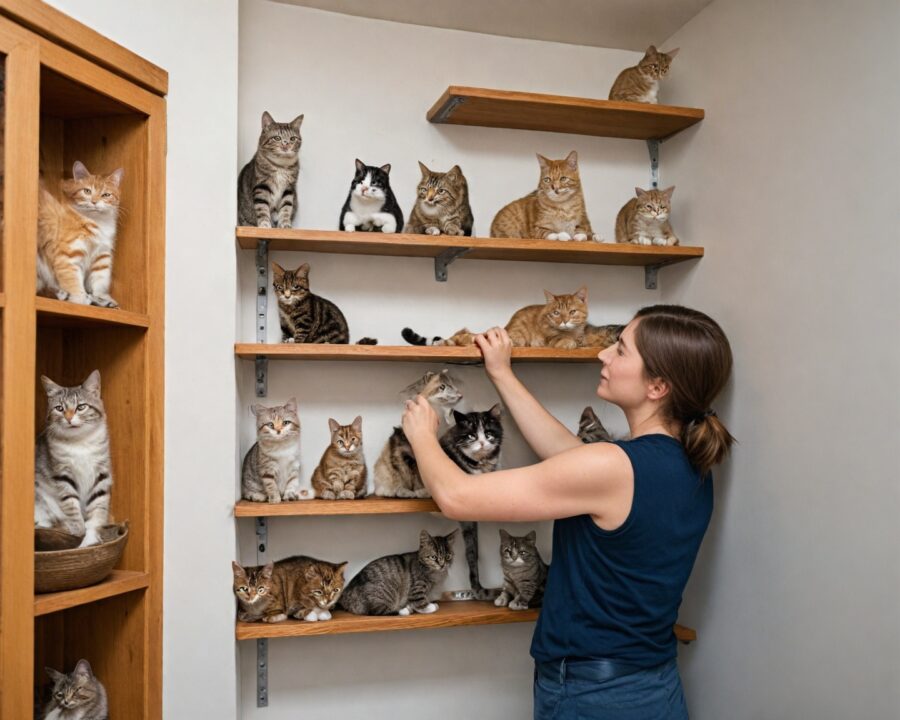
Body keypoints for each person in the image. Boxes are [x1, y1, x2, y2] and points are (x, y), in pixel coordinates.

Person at [401, 304, 735, 720]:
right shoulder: (688, 461)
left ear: (657, 386)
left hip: (594, 694)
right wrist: (502, 374)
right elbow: (572, 458)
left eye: (621, 349)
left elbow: (457, 498)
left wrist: (422, 437)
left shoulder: (613, 468)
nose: (603, 354)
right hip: (655, 682)